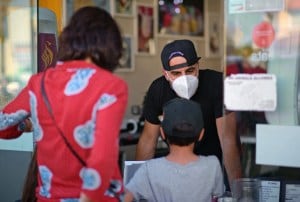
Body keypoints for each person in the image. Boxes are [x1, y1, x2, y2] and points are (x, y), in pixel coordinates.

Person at [0, 6, 128, 202]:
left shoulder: (39, 82)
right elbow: (102, 158)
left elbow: (3, 126)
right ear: (110, 45)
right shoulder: (111, 86)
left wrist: (28, 125)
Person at [135, 39, 242, 188]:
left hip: (216, 168)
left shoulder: (216, 84)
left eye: (190, 71)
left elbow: (228, 140)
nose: (184, 79)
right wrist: (137, 187)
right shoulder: (158, 90)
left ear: (197, 66)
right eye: (176, 73)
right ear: (165, 74)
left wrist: (237, 192)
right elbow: (147, 140)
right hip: (177, 169)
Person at [125, 98, 224, 201]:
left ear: (162, 133)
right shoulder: (212, 165)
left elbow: (127, 197)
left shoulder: (149, 169)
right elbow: (218, 196)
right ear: (201, 134)